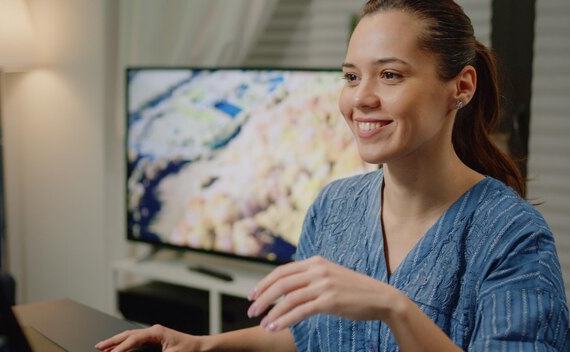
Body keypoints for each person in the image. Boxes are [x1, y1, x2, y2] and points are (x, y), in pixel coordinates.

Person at [97, 0, 570, 351]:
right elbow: (307, 337)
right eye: (350, 76)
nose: (360, 98)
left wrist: (394, 308)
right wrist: (201, 345)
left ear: (461, 87)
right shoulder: (334, 207)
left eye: (390, 75)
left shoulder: (512, 236)